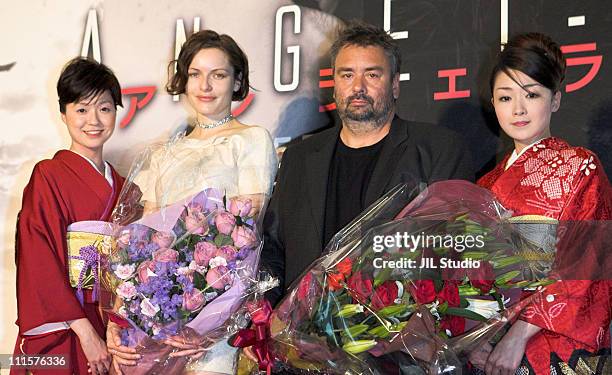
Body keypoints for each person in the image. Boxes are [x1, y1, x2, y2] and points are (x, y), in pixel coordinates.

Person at [261, 21, 474, 306]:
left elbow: (456, 249)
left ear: (395, 84)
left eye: (372, 75)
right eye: (347, 75)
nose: (358, 87)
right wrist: (269, 318)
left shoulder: (438, 149)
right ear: (334, 83)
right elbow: (273, 249)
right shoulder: (299, 158)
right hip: (302, 342)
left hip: (396, 342)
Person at [106, 30, 277, 375]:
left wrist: (208, 319)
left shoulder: (251, 140)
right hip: (156, 313)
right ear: (183, 80)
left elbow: (247, 233)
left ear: (237, 80)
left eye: (218, 74)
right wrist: (123, 313)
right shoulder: (163, 152)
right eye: (196, 74)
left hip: (216, 321)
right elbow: (140, 242)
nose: (206, 85)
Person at [475, 32, 611, 374]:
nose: (518, 109)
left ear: (555, 101)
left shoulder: (580, 167)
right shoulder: (484, 184)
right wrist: (473, 338)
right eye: (505, 98)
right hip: (488, 345)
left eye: (531, 95)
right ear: (493, 104)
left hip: (552, 343)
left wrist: (519, 335)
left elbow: (587, 266)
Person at [12, 57, 124, 375]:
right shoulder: (48, 175)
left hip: (112, 322)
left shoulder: (128, 187)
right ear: (63, 114)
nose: (94, 120)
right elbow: (38, 258)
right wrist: (84, 331)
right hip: (64, 324)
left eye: (104, 108)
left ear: (116, 112)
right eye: (81, 109)